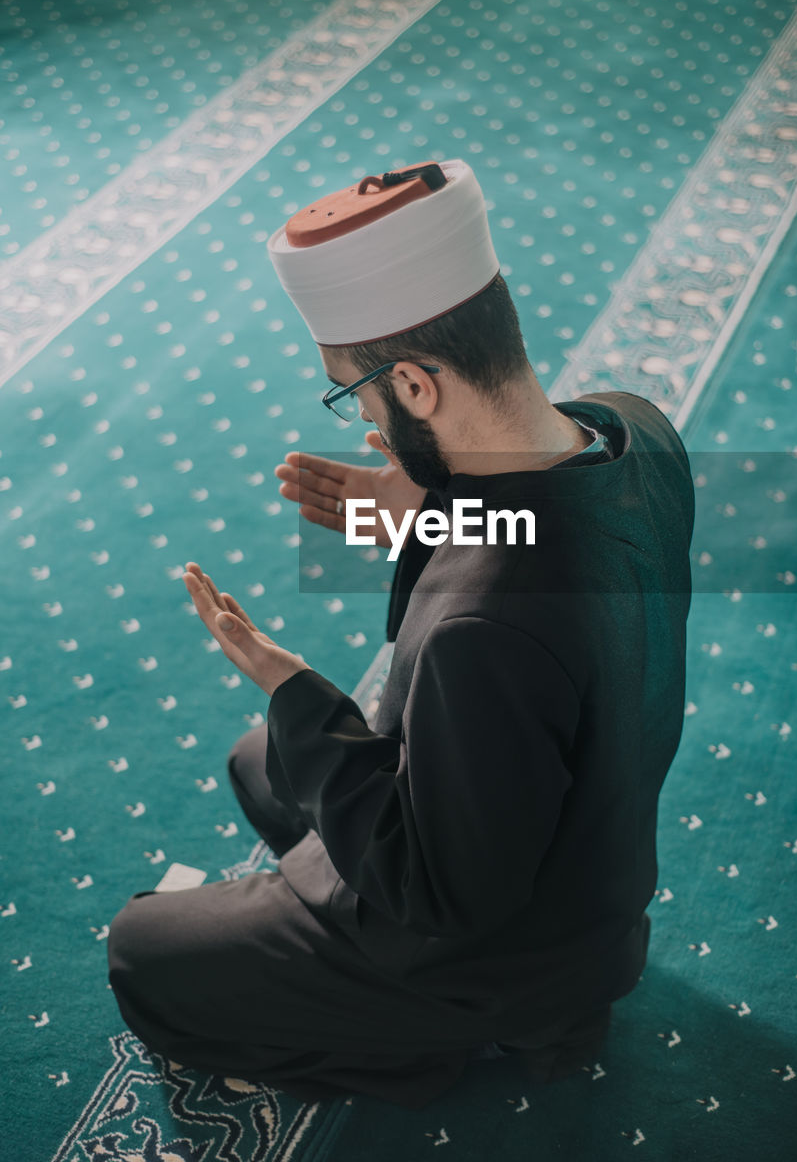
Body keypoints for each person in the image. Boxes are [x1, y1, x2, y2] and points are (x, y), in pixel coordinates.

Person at [108, 159, 695, 1109]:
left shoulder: (486, 628)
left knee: (142, 953)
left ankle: (472, 1033)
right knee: (263, 763)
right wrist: (434, 513)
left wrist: (293, 685)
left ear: (416, 385)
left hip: (490, 948)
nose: (360, 414)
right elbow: (566, 547)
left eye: (358, 395)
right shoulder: (636, 431)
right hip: (590, 866)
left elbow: (444, 896)